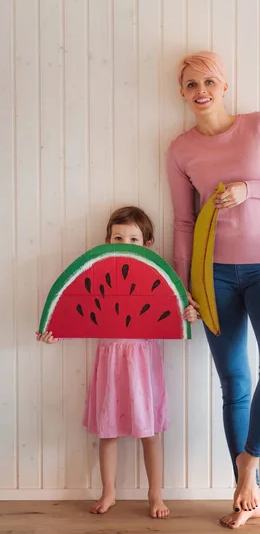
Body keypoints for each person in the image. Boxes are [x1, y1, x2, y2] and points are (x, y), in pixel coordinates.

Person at [167, 51, 260, 529]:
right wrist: (183, 286)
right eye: (190, 84)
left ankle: (249, 462)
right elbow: (184, 222)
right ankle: (245, 495)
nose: (200, 90)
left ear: (224, 85)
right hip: (213, 278)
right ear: (182, 93)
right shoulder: (180, 149)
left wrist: (253, 188)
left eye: (208, 80)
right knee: (234, 382)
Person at [37, 206, 197, 519]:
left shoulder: (161, 277)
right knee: (107, 432)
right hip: (110, 367)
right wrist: (55, 334)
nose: (125, 243)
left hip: (143, 367)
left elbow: (180, 312)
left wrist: (190, 314)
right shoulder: (99, 277)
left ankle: (155, 494)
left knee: (149, 433)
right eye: (118, 237)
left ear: (147, 245)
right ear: (107, 241)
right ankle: (108, 492)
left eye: (133, 239)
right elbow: (78, 313)